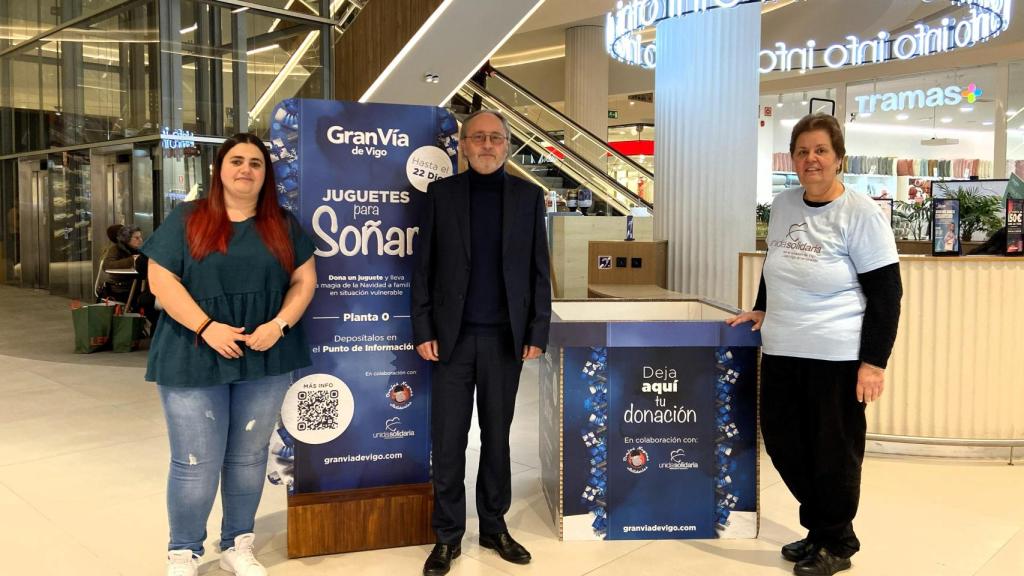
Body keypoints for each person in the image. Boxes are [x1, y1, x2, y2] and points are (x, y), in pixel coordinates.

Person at [727, 113, 902, 576]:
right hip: (783, 347)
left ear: (839, 159)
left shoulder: (862, 214)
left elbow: (887, 294)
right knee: (784, 441)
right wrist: (762, 307)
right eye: (803, 151)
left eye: (821, 150)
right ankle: (821, 527)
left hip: (837, 355)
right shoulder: (784, 204)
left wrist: (873, 363)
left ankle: (837, 541)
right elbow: (775, 262)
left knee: (834, 449)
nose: (811, 159)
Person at [143, 133, 317, 576]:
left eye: (255, 163)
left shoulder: (282, 223)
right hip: (193, 351)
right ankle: (183, 552)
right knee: (195, 461)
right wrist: (206, 326)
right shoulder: (188, 218)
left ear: (266, 173)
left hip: (265, 354)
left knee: (248, 458)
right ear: (219, 169)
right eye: (236, 161)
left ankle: (238, 544)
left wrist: (278, 325)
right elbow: (161, 280)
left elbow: (304, 281)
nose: (246, 169)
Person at [411, 110, 552, 576]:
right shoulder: (441, 195)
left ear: (507, 145)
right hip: (451, 342)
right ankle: (447, 534)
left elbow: (538, 270)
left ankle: (493, 525)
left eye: (495, 137)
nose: (487, 145)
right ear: (463, 146)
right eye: (478, 137)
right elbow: (424, 269)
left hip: (504, 342)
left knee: (497, 439)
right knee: (448, 442)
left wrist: (537, 330)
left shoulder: (530, 197)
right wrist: (424, 328)